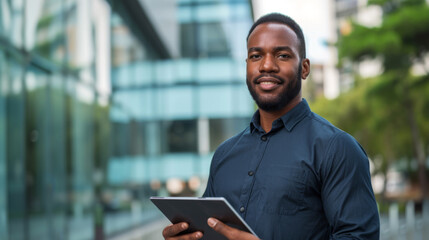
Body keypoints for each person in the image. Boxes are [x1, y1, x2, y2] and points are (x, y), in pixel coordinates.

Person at [162, 12, 380, 240]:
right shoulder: (224, 155)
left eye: (282, 55)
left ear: (304, 68)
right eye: (256, 56)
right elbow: (208, 231)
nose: (267, 65)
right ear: (247, 66)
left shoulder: (337, 149)